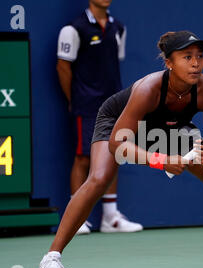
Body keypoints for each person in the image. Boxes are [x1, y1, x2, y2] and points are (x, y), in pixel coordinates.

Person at [39, 30, 203, 268]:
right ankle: (51, 259)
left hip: (170, 128)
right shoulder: (149, 89)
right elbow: (117, 144)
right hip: (119, 123)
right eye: (187, 57)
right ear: (169, 63)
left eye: (199, 56)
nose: (195, 63)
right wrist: (162, 160)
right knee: (99, 178)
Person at [56, 0, 142, 234]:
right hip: (86, 104)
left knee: (115, 154)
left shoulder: (119, 28)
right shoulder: (73, 29)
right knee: (83, 158)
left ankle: (110, 217)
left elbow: (114, 64)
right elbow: (63, 67)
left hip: (114, 105)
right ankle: (77, 218)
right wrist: (74, 98)